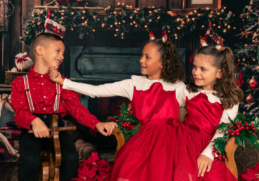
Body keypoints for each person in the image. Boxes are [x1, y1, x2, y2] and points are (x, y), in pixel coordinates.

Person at [49, 37, 186, 181]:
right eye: (142, 55)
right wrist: (64, 82)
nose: (141, 60)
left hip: (171, 143)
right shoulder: (134, 84)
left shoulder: (178, 87)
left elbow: (199, 108)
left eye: (147, 57)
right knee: (128, 165)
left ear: (162, 63)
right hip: (143, 140)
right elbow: (96, 91)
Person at [10, 33, 117, 181]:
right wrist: (34, 121)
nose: (62, 56)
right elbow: (20, 111)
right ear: (40, 50)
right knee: (29, 159)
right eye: (58, 51)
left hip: (58, 129)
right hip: (31, 130)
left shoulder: (62, 83)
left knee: (71, 157)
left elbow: (77, 109)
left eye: (63, 52)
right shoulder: (20, 83)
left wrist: (96, 123)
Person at [173, 45, 243, 181]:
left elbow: (224, 128)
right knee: (182, 173)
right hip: (184, 141)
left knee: (212, 175)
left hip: (211, 143)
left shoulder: (228, 98)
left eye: (203, 69)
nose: (196, 72)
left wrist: (208, 154)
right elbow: (172, 105)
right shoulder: (189, 91)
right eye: (194, 67)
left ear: (219, 73)